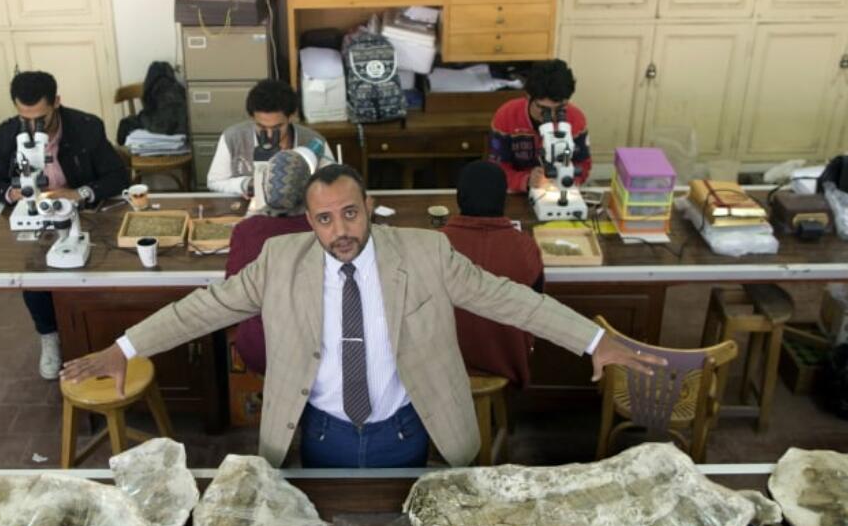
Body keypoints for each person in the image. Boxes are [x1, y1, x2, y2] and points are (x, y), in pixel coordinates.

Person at [62, 165, 664, 469]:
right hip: (316, 433)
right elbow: (206, 306)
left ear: (369, 208)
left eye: (350, 215)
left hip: (406, 429)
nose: (340, 232)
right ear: (308, 222)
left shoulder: (425, 253)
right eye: (324, 220)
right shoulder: (279, 259)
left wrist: (592, 340)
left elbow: (509, 298)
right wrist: (127, 346)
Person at [0, 71, 128, 380]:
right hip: (40, 217)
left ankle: (96, 333)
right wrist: (13, 193)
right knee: (34, 274)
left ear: (57, 103)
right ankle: (50, 337)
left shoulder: (86, 128)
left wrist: (80, 194)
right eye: (25, 118)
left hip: (85, 215)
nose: (33, 128)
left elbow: (118, 176)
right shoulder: (9, 134)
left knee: (96, 271)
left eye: (41, 118)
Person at [441, 161, 544, 388]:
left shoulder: (435, 244)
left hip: (445, 369)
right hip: (506, 364)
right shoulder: (525, 248)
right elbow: (537, 310)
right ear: (502, 199)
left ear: (459, 197)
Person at [224, 149, 315, 375]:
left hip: (262, 349)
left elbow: (233, 293)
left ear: (264, 187)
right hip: (313, 350)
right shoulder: (324, 228)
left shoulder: (246, 230)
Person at [206, 78, 333, 196]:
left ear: (290, 117)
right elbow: (214, 182)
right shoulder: (233, 138)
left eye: (277, 128)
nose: (270, 135)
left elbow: (333, 184)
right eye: (261, 127)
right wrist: (248, 184)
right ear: (252, 118)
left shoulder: (313, 140)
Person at [488, 59, 591, 194]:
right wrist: (525, 180)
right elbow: (497, 168)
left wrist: (567, 177)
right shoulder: (507, 116)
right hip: (516, 192)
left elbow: (583, 165)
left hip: (559, 190)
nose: (552, 116)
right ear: (529, 96)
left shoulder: (575, 119)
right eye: (544, 109)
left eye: (560, 109)